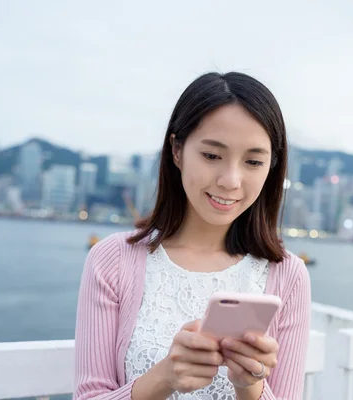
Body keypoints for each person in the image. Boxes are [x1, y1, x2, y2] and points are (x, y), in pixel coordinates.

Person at [73, 71, 311, 400]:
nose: (230, 180)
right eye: (212, 156)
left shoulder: (288, 275)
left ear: (272, 167)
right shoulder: (112, 260)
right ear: (177, 151)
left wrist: (250, 386)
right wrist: (165, 376)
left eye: (253, 161)